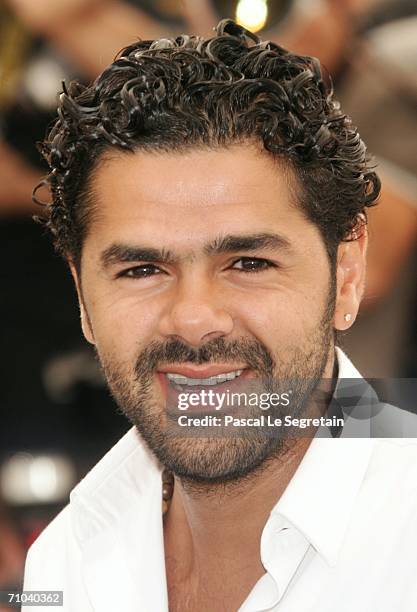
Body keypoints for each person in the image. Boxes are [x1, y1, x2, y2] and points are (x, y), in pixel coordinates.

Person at [22, 19, 417, 612]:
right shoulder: (65, 557)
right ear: (82, 296)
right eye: (141, 270)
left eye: (249, 262)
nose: (194, 320)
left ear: (348, 274)